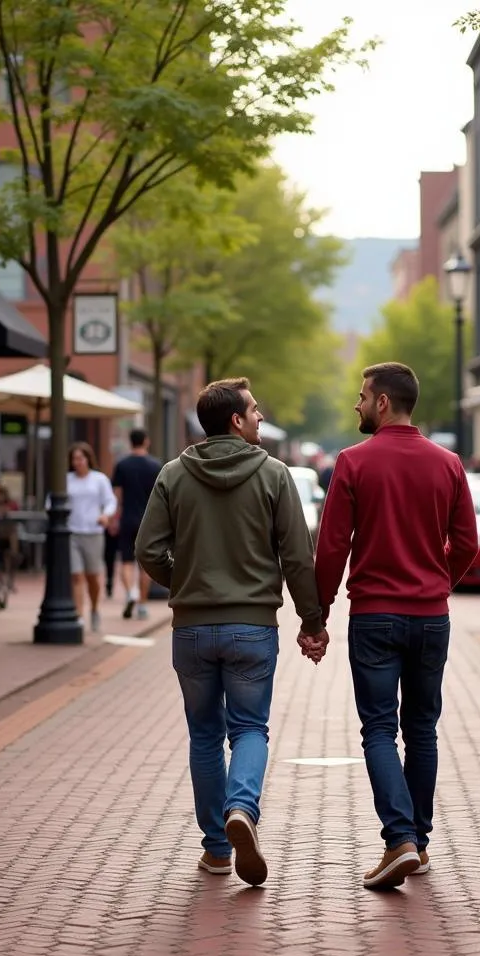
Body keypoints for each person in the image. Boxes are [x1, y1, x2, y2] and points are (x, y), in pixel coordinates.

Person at [136, 377, 327, 887]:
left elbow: (149, 550)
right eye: (255, 410)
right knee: (248, 728)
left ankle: (218, 850)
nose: (261, 417)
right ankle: (242, 808)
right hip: (252, 627)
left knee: (204, 734)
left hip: (192, 629)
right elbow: (295, 556)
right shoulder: (275, 476)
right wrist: (312, 621)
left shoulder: (173, 475)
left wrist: (188, 580)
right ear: (236, 421)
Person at [310, 362, 478, 890]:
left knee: (380, 729)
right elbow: (467, 542)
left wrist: (316, 617)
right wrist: (438, 583)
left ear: (383, 403)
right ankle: (418, 845)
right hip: (431, 619)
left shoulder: (353, 462)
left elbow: (333, 546)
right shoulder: (447, 463)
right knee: (422, 728)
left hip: (375, 617)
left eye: (362, 397)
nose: (356, 405)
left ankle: (400, 838)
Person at [65, 442, 117, 633]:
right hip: (72, 533)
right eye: (74, 459)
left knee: (93, 577)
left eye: (81, 458)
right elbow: (51, 501)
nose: (77, 462)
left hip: (93, 532)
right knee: (76, 575)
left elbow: (111, 501)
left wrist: (106, 515)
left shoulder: (99, 479)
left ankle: (94, 609)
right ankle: (79, 616)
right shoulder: (66, 479)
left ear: (88, 459)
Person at [112, 428, 162, 620]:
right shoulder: (155, 465)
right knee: (144, 565)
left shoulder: (122, 464)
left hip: (127, 517)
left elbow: (117, 494)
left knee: (125, 561)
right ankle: (142, 604)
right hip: (148, 520)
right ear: (146, 441)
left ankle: (130, 593)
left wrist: (116, 517)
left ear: (130, 442)